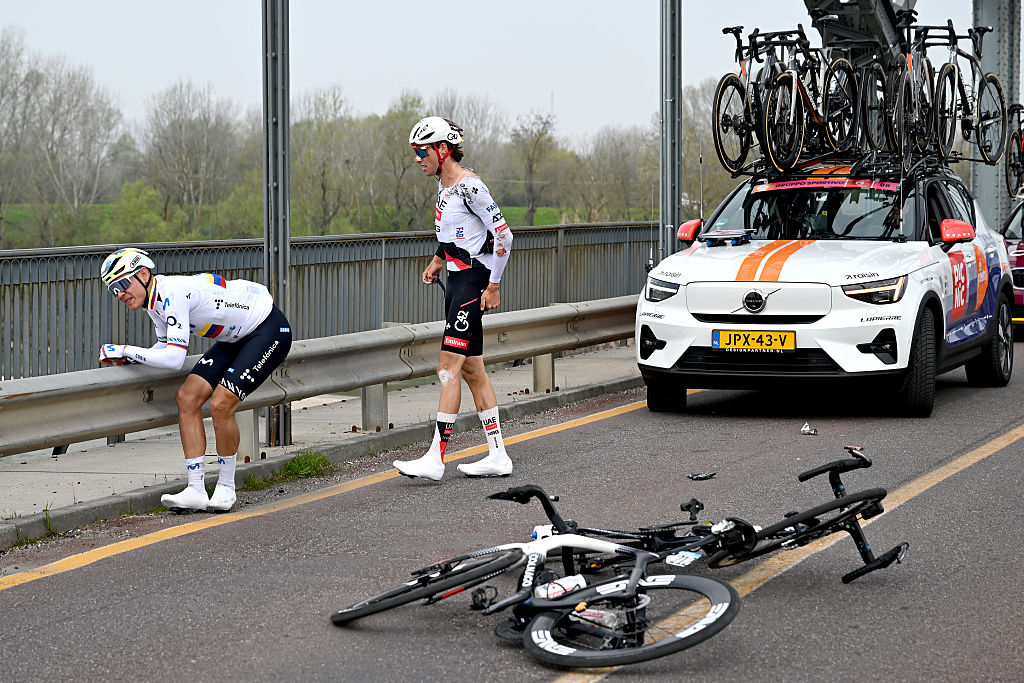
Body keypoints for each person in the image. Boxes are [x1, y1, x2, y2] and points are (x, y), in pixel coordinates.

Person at [98, 248, 292, 512]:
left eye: (122, 284)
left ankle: (226, 487)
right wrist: (130, 358)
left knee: (221, 404)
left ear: (143, 274)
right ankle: (196, 489)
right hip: (235, 336)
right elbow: (165, 347)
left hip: (267, 329)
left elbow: (175, 360)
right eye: (113, 290)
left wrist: (125, 350)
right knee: (187, 397)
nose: (119, 294)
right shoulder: (154, 303)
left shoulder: (171, 293)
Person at [393, 116, 514, 481]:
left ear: (443, 150)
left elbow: (504, 237)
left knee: (447, 368)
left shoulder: (469, 187)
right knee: (474, 371)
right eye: (415, 152)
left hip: (473, 283)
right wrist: (437, 260)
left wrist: (492, 285)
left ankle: (435, 458)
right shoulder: (445, 188)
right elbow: (456, 233)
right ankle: (498, 455)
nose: (418, 159)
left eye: (422, 151)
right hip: (458, 280)